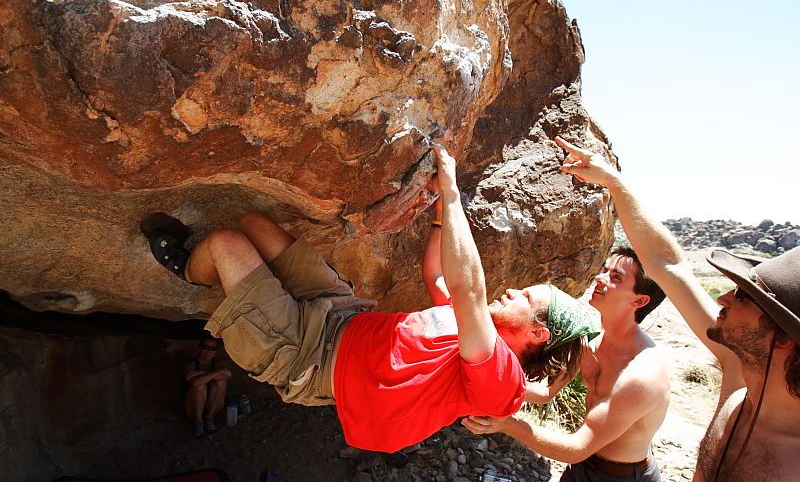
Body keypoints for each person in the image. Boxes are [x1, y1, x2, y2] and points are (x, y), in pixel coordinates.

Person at [142, 145, 599, 453]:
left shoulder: (498, 376)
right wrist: (440, 216)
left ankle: (187, 266)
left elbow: (468, 288)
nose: (513, 290)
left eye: (526, 297)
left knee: (227, 243)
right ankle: (215, 264)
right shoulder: (476, 333)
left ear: (538, 332)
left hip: (305, 359)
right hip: (336, 314)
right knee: (256, 224)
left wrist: (454, 194)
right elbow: (437, 273)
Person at [551, 137, 800, 481]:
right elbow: (670, 266)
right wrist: (614, 183)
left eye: (743, 297)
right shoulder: (738, 378)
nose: (723, 299)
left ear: (783, 338)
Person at [464, 241, 670, 482]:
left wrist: (508, 424)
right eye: (604, 270)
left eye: (615, 276)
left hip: (623, 476)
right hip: (583, 465)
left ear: (639, 301)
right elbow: (545, 392)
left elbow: (577, 447)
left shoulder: (641, 375)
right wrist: (482, 377)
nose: (599, 279)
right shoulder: (591, 343)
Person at [183, 335, 231, 438]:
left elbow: (227, 376)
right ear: (200, 348)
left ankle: (210, 417)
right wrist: (216, 372)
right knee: (200, 386)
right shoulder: (191, 364)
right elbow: (194, 383)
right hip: (193, 409)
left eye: (213, 349)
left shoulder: (217, 363)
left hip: (213, 407)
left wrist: (198, 374)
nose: (209, 351)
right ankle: (199, 422)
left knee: (221, 382)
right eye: (206, 347)